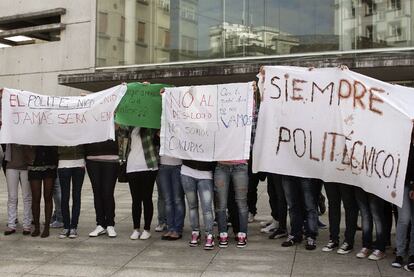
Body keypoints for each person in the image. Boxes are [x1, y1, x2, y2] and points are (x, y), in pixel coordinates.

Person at [120, 127, 159, 240]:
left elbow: (157, 141)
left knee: (147, 198)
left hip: (149, 166)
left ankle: (147, 229)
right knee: (135, 200)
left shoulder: (151, 126)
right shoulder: (129, 127)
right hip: (132, 166)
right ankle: (136, 228)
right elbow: (120, 132)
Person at [85, 139, 119, 238]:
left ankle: (110, 224)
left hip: (111, 158)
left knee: (108, 192)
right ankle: (100, 224)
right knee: (97, 192)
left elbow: (122, 129)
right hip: (92, 157)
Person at [214, 159, 249, 248]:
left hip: (240, 165)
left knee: (241, 202)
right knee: (221, 203)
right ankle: (222, 233)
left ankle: (243, 234)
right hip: (221, 165)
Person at [181, 160, 215, 250]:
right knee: (192, 206)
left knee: (207, 208)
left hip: (206, 173)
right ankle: (195, 232)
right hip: (187, 171)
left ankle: (209, 234)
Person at [392, 129, 414, 270]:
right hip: (403, 185)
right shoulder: (402, 141)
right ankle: (400, 253)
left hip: (410, 185)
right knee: (404, 220)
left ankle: (412, 255)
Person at [281, 176, 319, 250]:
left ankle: (311, 235)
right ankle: (295, 233)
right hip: (287, 173)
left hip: (305, 173)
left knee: (309, 205)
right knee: (292, 205)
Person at [28, 146, 58, 238]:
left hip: (50, 162)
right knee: (36, 197)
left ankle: (47, 228)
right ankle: (37, 227)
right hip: (34, 163)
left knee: (48, 197)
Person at [322, 182, 358, 254]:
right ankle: (333, 239)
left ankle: (349, 241)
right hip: (330, 176)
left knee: (349, 205)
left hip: (345, 176)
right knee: (333, 205)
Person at [57, 145, 85, 239]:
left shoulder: (81, 129)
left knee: (76, 196)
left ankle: (73, 226)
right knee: (65, 197)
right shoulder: (59, 129)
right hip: (63, 162)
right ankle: (66, 226)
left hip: (79, 162)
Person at [4, 144, 32, 235]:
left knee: (27, 197)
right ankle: (11, 225)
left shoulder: (27, 130)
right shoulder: (9, 130)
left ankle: (27, 225)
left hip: (26, 166)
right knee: (12, 197)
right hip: (11, 165)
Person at [354, 187, 387, 260]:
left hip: (375, 183)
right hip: (360, 183)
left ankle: (380, 248)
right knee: (365, 214)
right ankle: (366, 246)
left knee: (377, 215)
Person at [158, 155, 184, 240]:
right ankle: (170, 227)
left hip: (178, 165)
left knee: (178, 199)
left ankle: (178, 228)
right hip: (163, 165)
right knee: (168, 200)